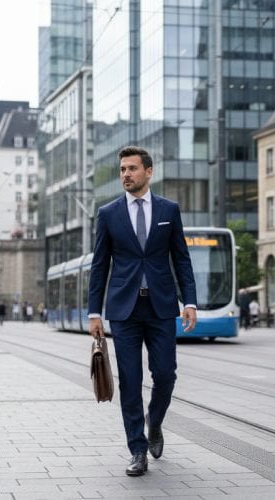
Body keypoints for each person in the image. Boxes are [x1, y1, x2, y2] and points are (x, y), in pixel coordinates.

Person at [88, 146, 197, 477]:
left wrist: (189, 301)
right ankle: (137, 450)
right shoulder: (108, 214)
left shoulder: (169, 209)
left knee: (165, 374)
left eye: (132, 168)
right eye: (122, 169)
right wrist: (95, 311)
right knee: (131, 380)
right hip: (124, 310)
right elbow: (99, 265)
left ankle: (155, 421)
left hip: (161, 306)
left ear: (148, 172)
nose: (126, 174)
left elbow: (180, 258)